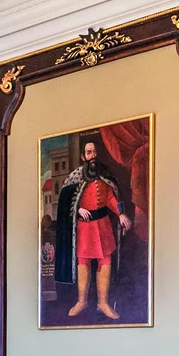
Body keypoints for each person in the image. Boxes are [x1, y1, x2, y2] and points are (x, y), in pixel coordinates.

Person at [52, 136, 133, 319]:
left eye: (95, 152)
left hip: (103, 226)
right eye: (89, 152)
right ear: (83, 156)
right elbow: (66, 202)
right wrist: (77, 209)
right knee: (83, 263)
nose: (93, 155)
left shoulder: (105, 175)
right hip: (84, 229)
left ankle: (103, 303)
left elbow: (111, 198)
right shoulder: (75, 177)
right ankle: (82, 301)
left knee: (105, 262)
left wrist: (120, 213)